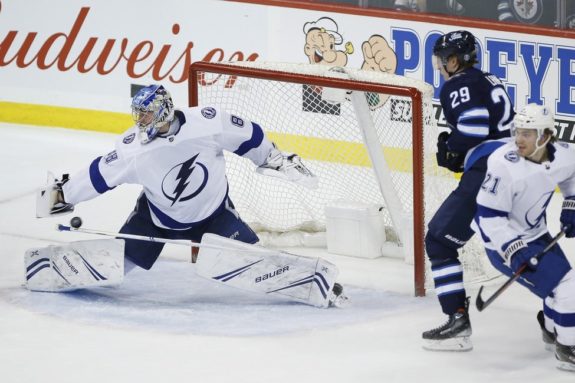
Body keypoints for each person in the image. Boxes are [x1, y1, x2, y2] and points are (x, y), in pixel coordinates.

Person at [31, 84, 346, 308]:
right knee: (119, 262)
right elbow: (99, 175)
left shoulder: (207, 123)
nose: (140, 122)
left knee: (251, 264)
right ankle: (46, 270)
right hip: (154, 219)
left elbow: (249, 135)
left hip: (214, 214)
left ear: (165, 110)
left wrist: (274, 158)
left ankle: (316, 284)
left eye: (147, 115)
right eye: (137, 115)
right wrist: (59, 195)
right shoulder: (134, 149)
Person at [422, 30, 514, 351]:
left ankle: (457, 319)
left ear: (454, 60)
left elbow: (474, 127)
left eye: (442, 59)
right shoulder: (487, 79)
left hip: (488, 171)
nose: (439, 66)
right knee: (520, 241)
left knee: (437, 240)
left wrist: (452, 146)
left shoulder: (458, 83)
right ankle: (561, 312)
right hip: (514, 166)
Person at [474, 103, 575, 372]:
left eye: (528, 134)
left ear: (545, 136)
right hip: (501, 242)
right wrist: (514, 249)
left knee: (561, 283)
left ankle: (553, 332)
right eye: (518, 131)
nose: (519, 139)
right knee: (568, 286)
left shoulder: (565, 155)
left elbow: (572, 176)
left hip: (537, 234)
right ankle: (568, 348)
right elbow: (488, 216)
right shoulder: (502, 164)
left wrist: (571, 204)